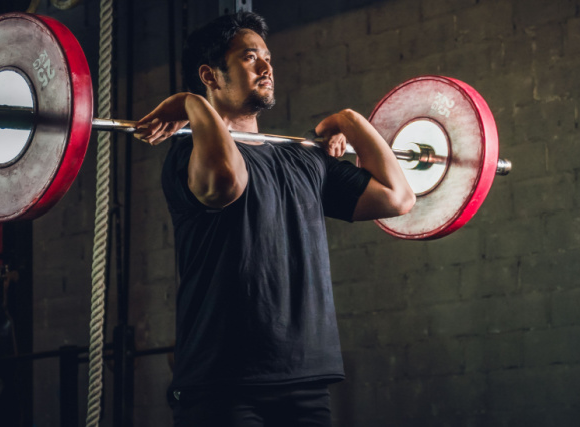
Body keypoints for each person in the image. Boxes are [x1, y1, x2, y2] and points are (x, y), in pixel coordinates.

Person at [134, 11, 415, 427]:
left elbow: (398, 197)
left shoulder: (302, 158)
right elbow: (227, 181)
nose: (267, 67)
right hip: (222, 384)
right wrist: (190, 103)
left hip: (305, 379)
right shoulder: (187, 153)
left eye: (267, 58)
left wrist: (350, 122)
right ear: (210, 76)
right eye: (250, 58)